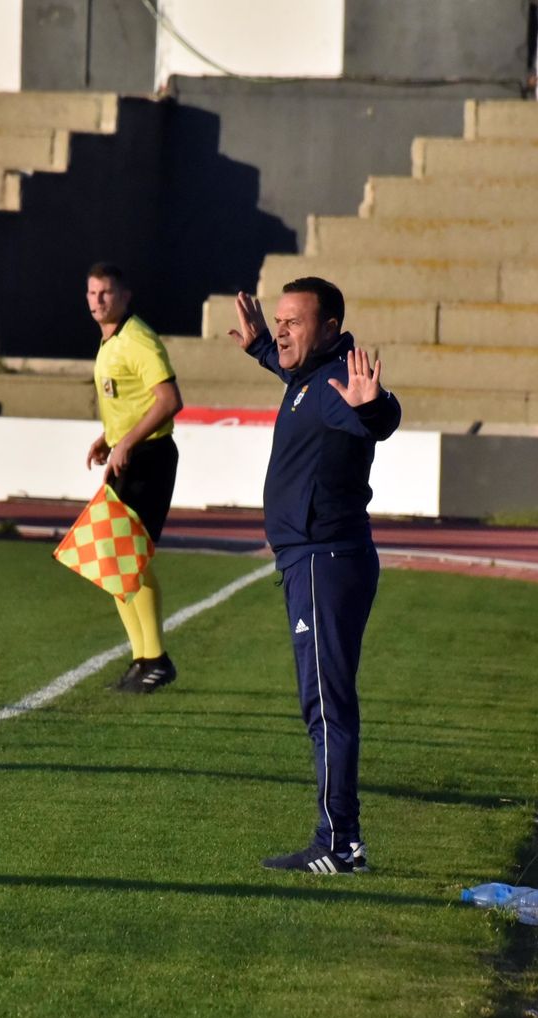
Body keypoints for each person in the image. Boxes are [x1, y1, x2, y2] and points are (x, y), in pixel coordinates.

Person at [227, 276, 401, 874]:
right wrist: (258, 349)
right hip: (313, 561)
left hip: (325, 562)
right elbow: (288, 369)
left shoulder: (333, 386)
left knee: (326, 704)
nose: (281, 331)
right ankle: (339, 839)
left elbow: (379, 415)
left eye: (294, 322)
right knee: (322, 700)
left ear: (329, 330)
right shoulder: (307, 377)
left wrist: (374, 405)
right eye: (278, 321)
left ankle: (340, 844)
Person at [84, 262, 182, 693]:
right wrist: (110, 436)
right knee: (112, 560)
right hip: (130, 454)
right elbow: (132, 400)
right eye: (91, 293)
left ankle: (155, 659)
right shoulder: (111, 341)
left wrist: (127, 442)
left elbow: (169, 400)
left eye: (106, 292)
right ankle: (144, 659)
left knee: (126, 558)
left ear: (125, 295)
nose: (97, 300)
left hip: (149, 457)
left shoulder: (137, 338)